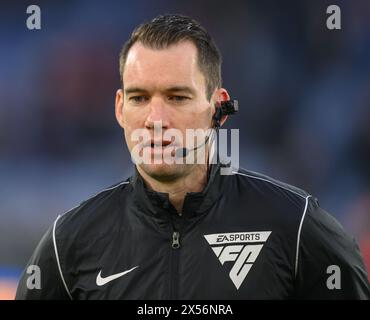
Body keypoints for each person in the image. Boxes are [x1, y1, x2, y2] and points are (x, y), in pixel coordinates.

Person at [16, 14, 369, 300]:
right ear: (120, 109)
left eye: (177, 97)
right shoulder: (69, 243)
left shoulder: (296, 227)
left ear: (218, 107)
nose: (156, 120)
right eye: (140, 98)